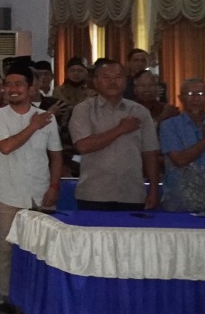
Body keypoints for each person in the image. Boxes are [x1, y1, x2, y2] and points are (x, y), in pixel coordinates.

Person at [0, 66, 63, 314]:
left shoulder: (46, 118)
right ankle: (7, 298)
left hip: (40, 191)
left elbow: (56, 155)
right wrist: (33, 126)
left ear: (31, 88)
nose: (12, 89)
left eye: (18, 84)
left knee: (40, 248)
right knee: (6, 247)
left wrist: (54, 186)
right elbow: (6, 147)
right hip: (8, 190)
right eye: (8, 84)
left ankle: (37, 299)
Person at [69, 60, 162, 210]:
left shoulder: (140, 112)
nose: (113, 82)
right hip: (94, 194)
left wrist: (153, 189)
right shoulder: (83, 110)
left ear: (126, 82)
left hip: (132, 194)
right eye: (106, 77)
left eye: (118, 77)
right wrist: (120, 129)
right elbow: (83, 146)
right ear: (96, 82)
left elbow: (150, 154)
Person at [158, 78, 205, 213]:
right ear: (180, 98)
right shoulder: (170, 126)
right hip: (178, 203)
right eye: (189, 94)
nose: (195, 99)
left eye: (200, 94)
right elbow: (180, 160)